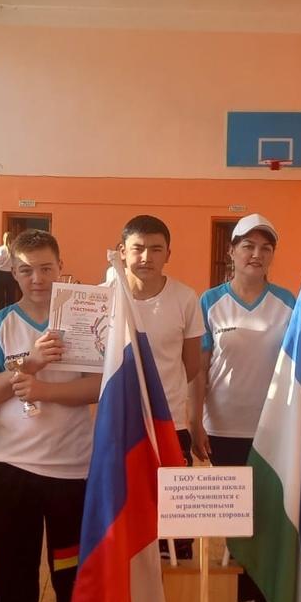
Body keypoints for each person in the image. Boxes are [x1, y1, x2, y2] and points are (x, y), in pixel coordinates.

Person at [0, 230, 100, 602]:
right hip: (9, 469)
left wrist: (44, 389)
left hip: (72, 471)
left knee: (71, 573)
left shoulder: (84, 318)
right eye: (26, 270)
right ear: (13, 272)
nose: (37, 278)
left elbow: (98, 386)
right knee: (12, 570)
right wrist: (29, 363)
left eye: (46, 268)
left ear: (60, 267)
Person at [189, 213, 294, 602]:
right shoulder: (210, 301)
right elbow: (199, 369)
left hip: (272, 431)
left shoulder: (287, 301)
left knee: (266, 520)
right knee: (235, 521)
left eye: (265, 248)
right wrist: (195, 420)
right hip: (223, 429)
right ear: (231, 252)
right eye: (247, 246)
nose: (256, 254)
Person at [117, 215, 203, 556]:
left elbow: (191, 365)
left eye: (156, 249)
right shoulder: (104, 297)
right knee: (126, 531)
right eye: (137, 248)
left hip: (170, 426)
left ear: (168, 254)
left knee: (174, 538)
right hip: (120, 427)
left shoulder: (185, 298)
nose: (146, 257)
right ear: (122, 252)